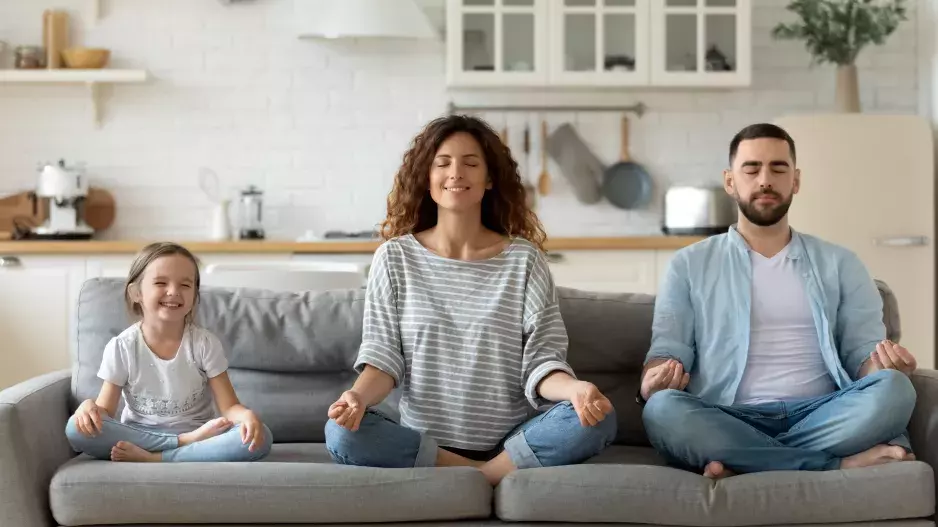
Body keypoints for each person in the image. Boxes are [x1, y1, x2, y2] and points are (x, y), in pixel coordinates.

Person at [324, 115, 616, 485]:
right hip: (423, 441)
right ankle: (487, 477)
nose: (456, 173)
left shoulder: (524, 260)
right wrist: (356, 398)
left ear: (489, 178)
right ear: (426, 177)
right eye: (442, 163)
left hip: (510, 441)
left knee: (599, 416)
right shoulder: (394, 258)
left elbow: (542, 361)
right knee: (341, 432)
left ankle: (482, 471)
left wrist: (575, 390)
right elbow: (383, 359)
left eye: (471, 163)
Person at [640, 123, 917, 479]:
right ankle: (834, 464)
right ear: (730, 181)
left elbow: (861, 354)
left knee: (895, 390)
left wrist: (885, 368)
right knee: (663, 410)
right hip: (728, 414)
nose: (765, 180)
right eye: (752, 169)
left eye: (778, 168)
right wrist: (653, 381)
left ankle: (746, 461)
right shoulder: (688, 265)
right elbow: (669, 348)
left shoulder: (842, 263)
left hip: (822, 412)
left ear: (796, 181)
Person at [65, 242, 272, 462]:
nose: (173, 292)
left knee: (262, 437)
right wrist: (89, 409)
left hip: (202, 436)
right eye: (161, 282)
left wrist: (247, 416)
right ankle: (181, 445)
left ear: (194, 295)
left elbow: (229, 407)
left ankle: (158, 458)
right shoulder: (122, 347)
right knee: (75, 429)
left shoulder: (205, 344)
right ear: (136, 293)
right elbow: (105, 410)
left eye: (185, 285)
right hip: (143, 436)